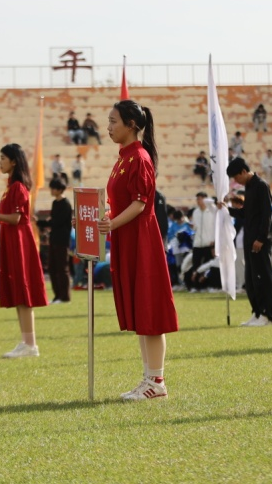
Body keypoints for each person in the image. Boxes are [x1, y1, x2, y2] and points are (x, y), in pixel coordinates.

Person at [98, 99, 178, 401]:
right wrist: (105, 218)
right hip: (127, 240)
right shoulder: (123, 158)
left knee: (150, 310)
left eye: (113, 121)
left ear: (131, 125)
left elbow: (140, 204)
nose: (108, 127)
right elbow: (121, 203)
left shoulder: (140, 158)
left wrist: (111, 223)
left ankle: (157, 381)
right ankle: (148, 379)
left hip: (142, 241)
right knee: (140, 311)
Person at [0, 144, 48, 358]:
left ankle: (31, 344)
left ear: (14, 161)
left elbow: (15, 218)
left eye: (3, 158)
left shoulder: (18, 187)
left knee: (23, 291)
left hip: (19, 241)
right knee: (18, 292)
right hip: (11, 240)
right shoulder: (10, 187)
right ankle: (26, 342)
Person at [225, 158, 272, 327]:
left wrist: (261, 238)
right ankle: (257, 312)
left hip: (260, 241)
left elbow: (266, 214)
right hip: (249, 239)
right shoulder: (249, 187)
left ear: (243, 171)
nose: (236, 181)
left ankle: (268, 315)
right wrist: (227, 210)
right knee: (252, 279)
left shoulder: (261, 185)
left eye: (236, 177)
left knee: (263, 277)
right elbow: (246, 213)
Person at [47, 178, 73, 304]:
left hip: (62, 241)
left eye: (53, 188)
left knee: (62, 269)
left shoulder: (66, 204)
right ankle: (57, 296)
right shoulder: (54, 203)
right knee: (52, 268)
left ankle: (64, 296)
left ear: (59, 189)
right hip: (53, 239)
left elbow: (57, 222)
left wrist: (42, 223)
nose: (51, 190)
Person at [190, 192, 216, 274]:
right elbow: (195, 227)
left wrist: (214, 240)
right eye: (197, 199)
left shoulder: (212, 211)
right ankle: (196, 281)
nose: (198, 201)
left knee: (208, 266)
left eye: (200, 199)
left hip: (209, 243)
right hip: (197, 243)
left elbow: (215, 227)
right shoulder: (195, 212)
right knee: (196, 265)